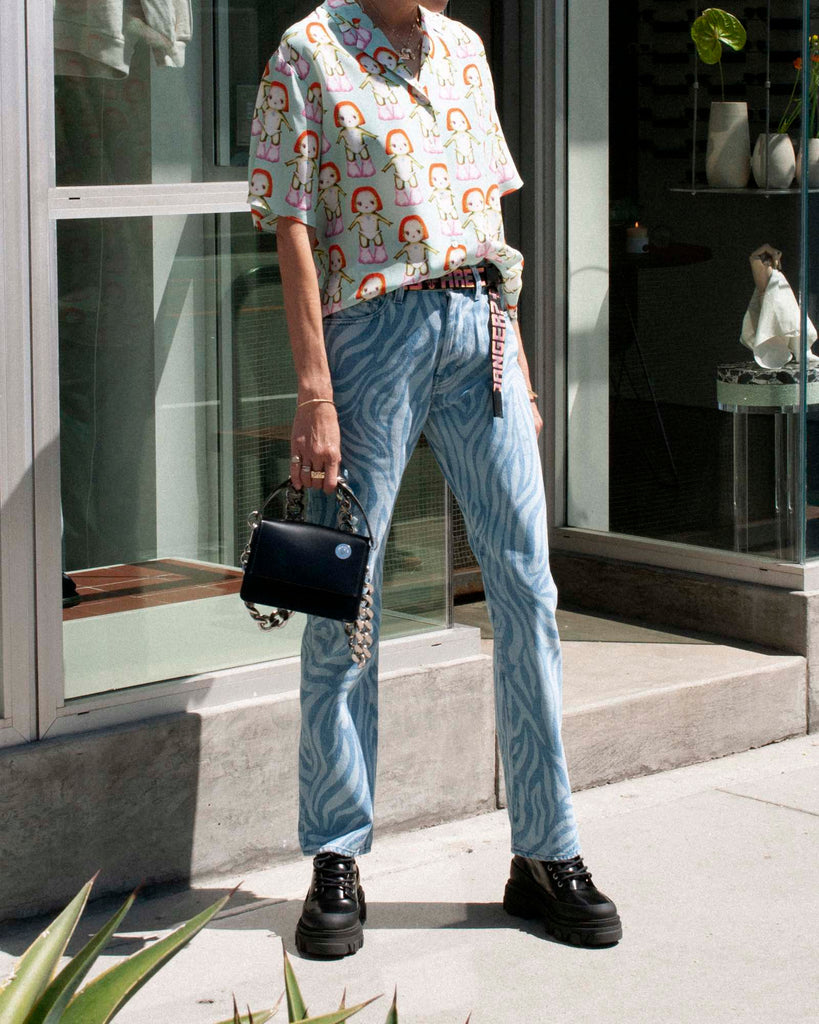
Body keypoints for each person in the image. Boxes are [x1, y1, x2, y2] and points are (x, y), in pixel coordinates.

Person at [247, 0, 622, 957]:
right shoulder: (310, 49)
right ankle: (335, 853)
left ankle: (545, 850)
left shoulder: (463, 50)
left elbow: (489, 222)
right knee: (345, 600)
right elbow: (289, 225)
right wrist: (313, 390)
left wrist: (525, 370)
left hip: (480, 333)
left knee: (528, 587)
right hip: (370, 336)